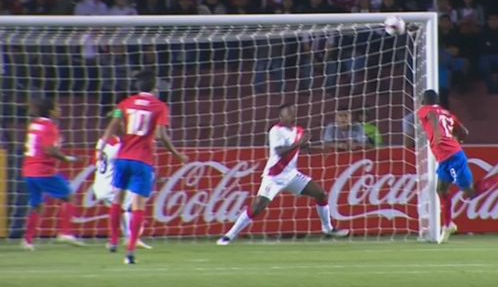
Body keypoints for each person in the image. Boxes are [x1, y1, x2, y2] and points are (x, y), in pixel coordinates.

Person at [217, 104, 349, 244]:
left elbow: (303, 148)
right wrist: (300, 143)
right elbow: (280, 151)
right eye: (287, 113)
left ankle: (328, 228)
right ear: (281, 116)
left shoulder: (299, 131)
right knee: (258, 207)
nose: (291, 115)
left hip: (292, 175)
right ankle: (229, 236)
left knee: (320, 194)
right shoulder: (276, 130)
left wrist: (321, 150)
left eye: (292, 112)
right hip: (274, 176)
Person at [99, 70, 187, 264]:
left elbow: (112, 126)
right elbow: (161, 135)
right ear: (154, 88)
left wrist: (102, 146)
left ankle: (113, 241)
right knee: (138, 205)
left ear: (137, 87)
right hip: (143, 160)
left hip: (123, 158)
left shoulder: (124, 104)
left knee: (117, 200)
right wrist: (177, 154)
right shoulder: (160, 106)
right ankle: (130, 250)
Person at [417, 90, 498, 243]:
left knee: (470, 193)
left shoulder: (425, 111)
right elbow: (464, 132)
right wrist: (457, 140)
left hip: (451, 158)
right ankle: (448, 225)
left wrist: (439, 137)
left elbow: (433, 118)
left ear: (424, 101)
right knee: (441, 189)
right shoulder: (448, 114)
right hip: (447, 156)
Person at [22, 96, 86, 250]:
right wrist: (68, 159)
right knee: (69, 196)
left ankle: (28, 241)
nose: (60, 110)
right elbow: (49, 149)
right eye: (57, 107)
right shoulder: (49, 126)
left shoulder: (34, 125)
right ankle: (65, 232)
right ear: (51, 111)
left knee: (37, 205)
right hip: (43, 170)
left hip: (28, 171)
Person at [93, 130, 152, 250]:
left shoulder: (102, 142)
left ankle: (121, 239)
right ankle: (131, 239)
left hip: (99, 185)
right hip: (110, 186)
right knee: (137, 201)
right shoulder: (118, 145)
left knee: (123, 209)